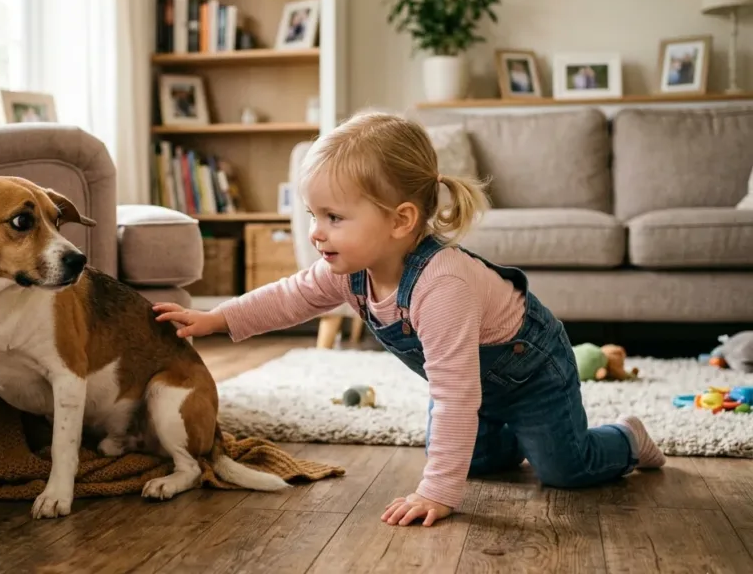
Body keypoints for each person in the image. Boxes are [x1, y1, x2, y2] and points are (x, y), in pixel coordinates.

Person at [152, 111, 666, 528]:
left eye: (334, 217)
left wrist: (438, 491)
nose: (316, 233)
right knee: (479, 461)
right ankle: (515, 435)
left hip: (531, 371)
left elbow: (454, 395)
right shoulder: (346, 269)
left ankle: (625, 436)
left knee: (564, 469)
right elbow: (288, 297)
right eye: (313, 215)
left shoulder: (442, 286)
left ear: (401, 220)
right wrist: (217, 318)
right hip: (475, 383)